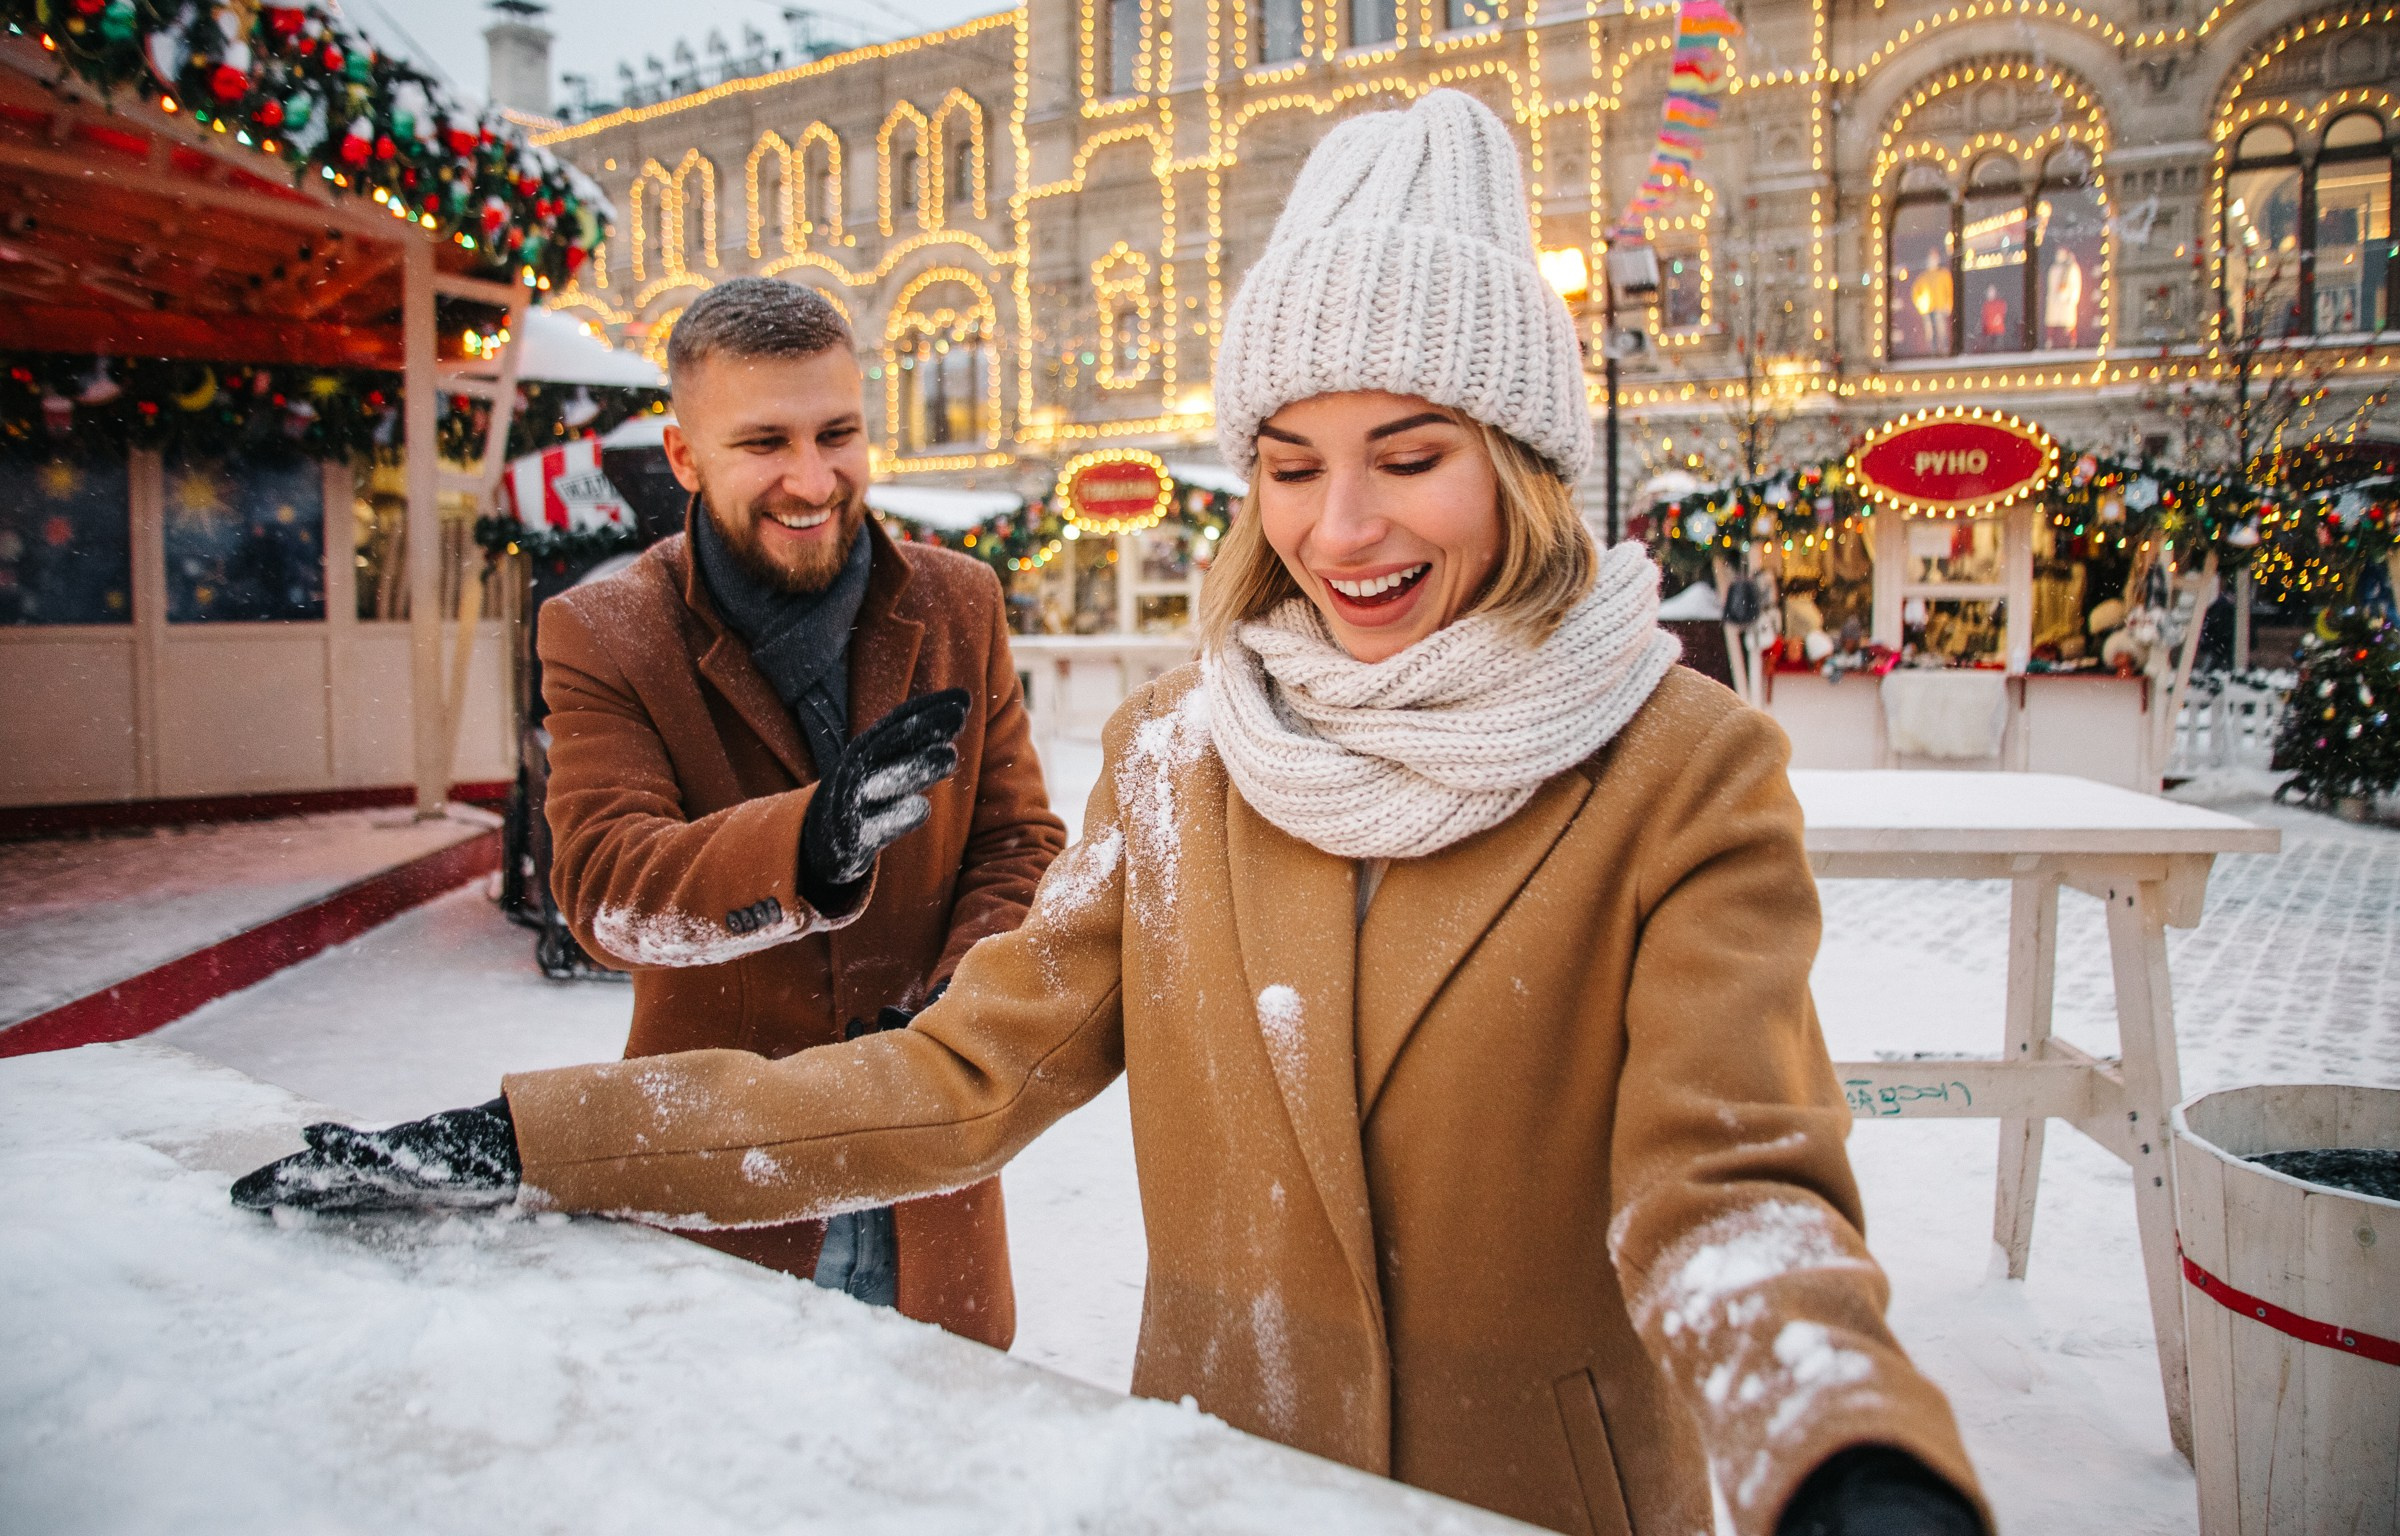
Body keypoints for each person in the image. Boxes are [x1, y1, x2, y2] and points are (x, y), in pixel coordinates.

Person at [238, 94, 1985, 1536]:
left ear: (1522, 460)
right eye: (1290, 465)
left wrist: (1845, 1454)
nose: (1344, 528)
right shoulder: (1185, 753)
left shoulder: (1681, 762)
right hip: (1219, 1483)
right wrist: (535, 1138)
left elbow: (1725, 1184)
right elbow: (954, 1080)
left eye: (1411, 452)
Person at [325, 278, 1062, 1346]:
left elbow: (1018, 840)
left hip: (927, 1179)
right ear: (684, 456)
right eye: (765, 441)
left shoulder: (960, 600)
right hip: (723, 1189)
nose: (812, 478)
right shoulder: (607, 629)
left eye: (838, 433)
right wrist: (810, 844)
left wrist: (954, 997)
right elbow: (607, 888)